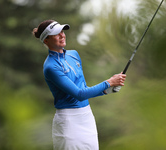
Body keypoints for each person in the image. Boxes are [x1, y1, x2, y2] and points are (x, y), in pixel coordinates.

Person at [32, 19, 126, 150]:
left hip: (87, 117)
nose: (62, 35)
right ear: (46, 40)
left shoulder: (74, 55)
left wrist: (108, 90)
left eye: (62, 31)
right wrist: (109, 82)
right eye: (56, 33)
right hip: (68, 122)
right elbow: (79, 94)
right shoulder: (50, 66)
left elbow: (84, 89)